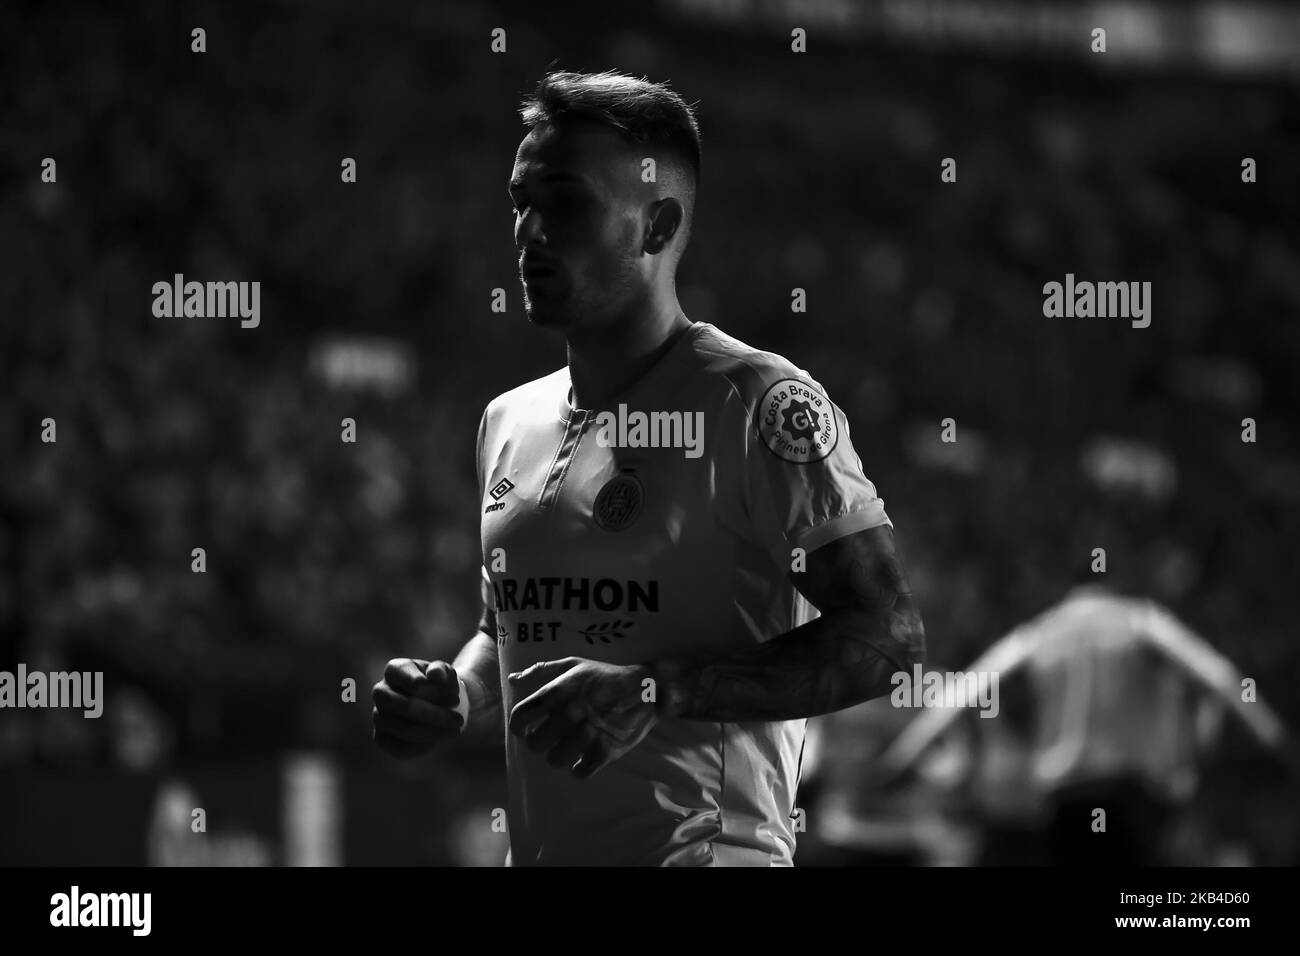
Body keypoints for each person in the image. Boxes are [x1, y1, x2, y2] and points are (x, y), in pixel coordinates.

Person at [372, 70, 926, 866]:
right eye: (519, 202)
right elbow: (511, 629)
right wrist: (458, 692)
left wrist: (656, 686)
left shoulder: (758, 403)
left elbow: (889, 640)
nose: (528, 231)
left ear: (657, 224)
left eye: (563, 204)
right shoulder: (508, 420)